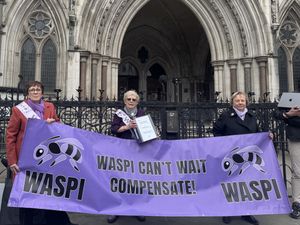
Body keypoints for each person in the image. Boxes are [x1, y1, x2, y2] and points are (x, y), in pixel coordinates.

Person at [3, 81, 76, 225]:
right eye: (32, 90)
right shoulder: (19, 110)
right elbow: (10, 135)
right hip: (26, 159)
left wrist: (53, 123)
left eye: (38, 89)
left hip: (46, 157)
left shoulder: (50, 106)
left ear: (42, 92)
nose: (35, 92)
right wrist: (12, 161)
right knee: (27, 196)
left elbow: (59, 126)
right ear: (28, 93)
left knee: (47, 193)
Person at [213, 91, 264, 225]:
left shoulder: (252, 116)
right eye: (237, 101)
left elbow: (258, 134)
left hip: (247, 158)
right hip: (231, 157)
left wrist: (268, 136)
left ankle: (246, 212)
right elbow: (216, 132)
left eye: (242, 100)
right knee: (229, 185)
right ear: (232, 103)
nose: (240, 103)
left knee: (246, 185)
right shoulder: (225, 116)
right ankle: (227, 211)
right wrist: (224, 146)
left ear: (246, 102)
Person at [108, 90, 146, 223]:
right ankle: (117, 209)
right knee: (120, 180)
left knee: (136, 180)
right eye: (128, 99)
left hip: (137, 150)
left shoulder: (141, 114)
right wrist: (127, 126)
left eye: (133, 99)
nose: (131, 101)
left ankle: (136, 208)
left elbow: (147, 130)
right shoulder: (119, 114)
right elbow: (113, 129)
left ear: (137, 102)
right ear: (124, 101)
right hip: (122, 150)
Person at [274, 106, 300, 219]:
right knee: (298, 172)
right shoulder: (292, 97)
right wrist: (289, 114)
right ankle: (297, 203)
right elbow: (276, 114)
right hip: (296, 138)